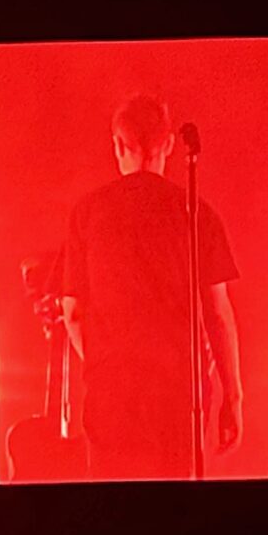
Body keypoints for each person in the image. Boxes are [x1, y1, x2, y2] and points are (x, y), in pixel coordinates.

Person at [59, 94, 242, 480]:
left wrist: (102, 362)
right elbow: (218, 315)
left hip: (112, 393)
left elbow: (72, 314)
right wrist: (233, 396)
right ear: (169, 145)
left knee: (113, 511)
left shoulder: (87, 213)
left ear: (119, 145)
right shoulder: (197, 211)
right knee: (176, 511)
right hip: (178, 394)